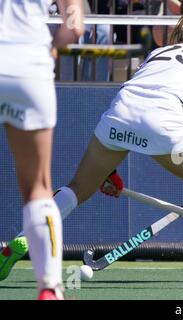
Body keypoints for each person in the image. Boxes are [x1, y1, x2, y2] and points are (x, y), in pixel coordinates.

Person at [0, 12, 183, 290]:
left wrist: (107, 172)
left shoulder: (158, 54)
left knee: (77, 188)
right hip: (164, 122)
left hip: (117, 116)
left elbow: (138, 107)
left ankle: (26, 236)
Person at [0, 0, 84, 299]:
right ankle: (49, 288)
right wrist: (49, 47)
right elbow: (74, 27)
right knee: (38, 189)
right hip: (27, 64)